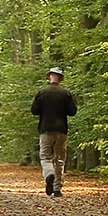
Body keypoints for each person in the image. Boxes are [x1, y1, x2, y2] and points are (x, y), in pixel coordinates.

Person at [30, 66, 76, 197]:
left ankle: (49, 174)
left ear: (49, 77)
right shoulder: (66, 93)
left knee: (45, 157)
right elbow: (72, 112)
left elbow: (34, 111)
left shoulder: (42, 93)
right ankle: (57, 189)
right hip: (61, 131)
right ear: (60, 79)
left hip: (45, 130)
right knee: (59, 160)